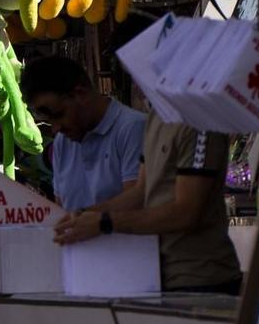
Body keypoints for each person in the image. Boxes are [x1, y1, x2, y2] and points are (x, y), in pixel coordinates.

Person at [53, 111, 243, 294]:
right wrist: (86, 215)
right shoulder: (157, 116)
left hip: (200, 277)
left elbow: (186, 212)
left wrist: (104, 222)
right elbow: (141, 192)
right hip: (154, 272)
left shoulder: (198, 120)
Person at [20, 55, 147, 212]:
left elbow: (137, 203)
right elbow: (61, 212)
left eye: (59, 115)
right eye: (49, 121)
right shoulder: (62, 141)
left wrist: (85, 221)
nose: (55, 129)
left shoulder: (133, 129)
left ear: (81, 93)